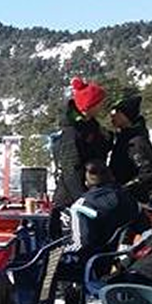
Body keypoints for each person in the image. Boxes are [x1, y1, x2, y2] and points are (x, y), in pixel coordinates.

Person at [51, 77, 111, 234]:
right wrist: (83, 199)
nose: (102, 106)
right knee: (70, 245)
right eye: (99, 103)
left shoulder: (91, 127)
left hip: (90, 194)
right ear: (90, 105)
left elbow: (99, 149)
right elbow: (71, 169)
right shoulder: (72, 134)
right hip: (71, 200)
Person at [69, 163, 139, 258]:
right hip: (127, 258)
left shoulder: (81, 206)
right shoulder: (130, 199)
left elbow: (82, 245)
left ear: (86, 182)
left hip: (94, 263)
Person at [108, 95, 152, 208]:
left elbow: (148, 172)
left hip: (132, 200)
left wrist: (126, 189)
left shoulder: (137, 141)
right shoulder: (123, 137)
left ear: (126, 116)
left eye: (116, 112)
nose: (112, 115)